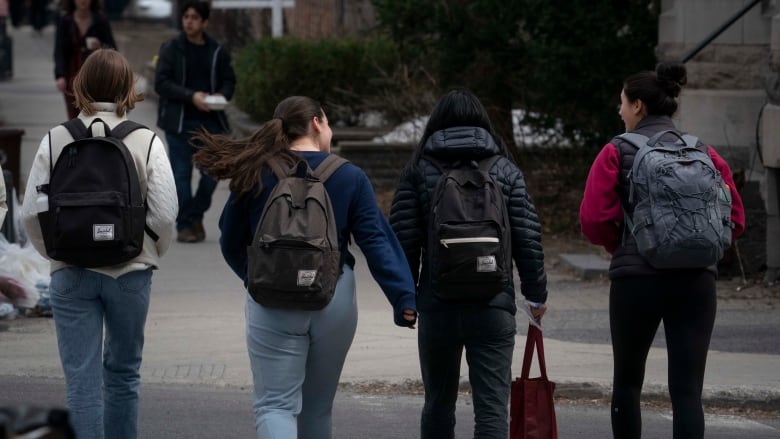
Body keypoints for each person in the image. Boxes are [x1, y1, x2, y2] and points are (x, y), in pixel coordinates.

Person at [191, 95, 417, 438]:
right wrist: (403, 298)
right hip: (334, 297)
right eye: (327, 123)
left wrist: (255, 279)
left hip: (271, 299)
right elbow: (377, 241)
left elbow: (229, 239)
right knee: (317, 409)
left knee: (275, 405)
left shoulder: (256, 171)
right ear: (317, 123)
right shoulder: (350, 177)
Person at [579, 62, 746, 439]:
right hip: (697, 281)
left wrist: (622, 247)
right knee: (688, 392)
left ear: (638, 106)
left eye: (622, 103)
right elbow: (735, 219)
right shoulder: (705, 152)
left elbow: (593, 219)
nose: (619, 110)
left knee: (627, 384)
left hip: (636, 280)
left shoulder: (615, 151)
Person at [21, 49, 178, 439]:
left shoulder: (56, 140)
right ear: (128, 87)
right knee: (124, 375)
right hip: (129, 272)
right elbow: (165, 214)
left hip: (71, 272)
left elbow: (29, 213)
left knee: (81, 385)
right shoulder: (145, 140)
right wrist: (149, 250)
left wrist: (54, 251)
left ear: (81, 85)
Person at [389, 89, 549, 439]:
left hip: (438, 306)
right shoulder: (504, 169)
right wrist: (536, 296)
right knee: (491, 411)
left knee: (437, 405)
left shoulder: (419, 169)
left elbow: (403, 241)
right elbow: (527, 238)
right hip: (494, 305)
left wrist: (405, 299)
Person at [155, 0, 235, 243]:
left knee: (212, 176)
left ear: (204, 22)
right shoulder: (171, 48)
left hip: (210, 126)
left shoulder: (217, 50)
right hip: (178, 123)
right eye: (186, 16)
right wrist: (192, 96)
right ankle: (185, 226)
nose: (189, 21)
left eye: (194, 17)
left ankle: (194, 215)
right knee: (181, 175)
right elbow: (162, 83)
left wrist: (221, 95)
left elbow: (229, 80)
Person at [54, 0, 116, 120]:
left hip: (95, 74)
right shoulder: (66, 21)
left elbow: (113, 49)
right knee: (74, 114)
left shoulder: (100, 20)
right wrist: (60, 75)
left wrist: (100, 47)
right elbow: (59, 50)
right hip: (72, 73)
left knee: (93, 113)